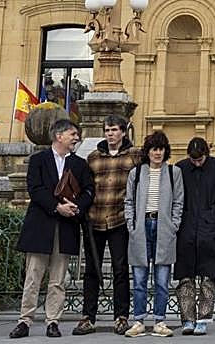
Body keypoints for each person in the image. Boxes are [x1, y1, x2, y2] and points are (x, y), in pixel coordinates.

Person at [11, 118, 95, 339]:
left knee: (58, 279)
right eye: (73, 134)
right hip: (41, 225)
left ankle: (53, 320)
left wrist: (76, 207)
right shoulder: (39, 160)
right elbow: (34, 189)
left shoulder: (79, 164)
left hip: (66, 227)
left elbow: (89, 190)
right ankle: (25, 320)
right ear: (59, 136)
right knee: (33, 276)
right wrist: (57, 207)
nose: (76, 138)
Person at [75, 115, 139, 336]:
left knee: (120, 270)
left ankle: (121, 316)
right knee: (91, 270)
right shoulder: (93, 158)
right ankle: (87, 317)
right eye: (107, 130)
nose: (110, 134)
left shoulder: (134, 156)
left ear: (123, 132)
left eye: (114, 130)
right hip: (95, 219)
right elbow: (84, 187)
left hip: (119, 219)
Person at [123, 131, 184, 338]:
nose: (157, 153)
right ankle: (138, 320)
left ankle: (160, 320)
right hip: (142, 226)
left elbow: (178, 202)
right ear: (147, 151)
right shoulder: (137, 173)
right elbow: (129, 201)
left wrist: (173, 225)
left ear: (166, 151)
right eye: (153, 149)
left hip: (163, 226)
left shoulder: (173, 172)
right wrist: (131, 225)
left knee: (161, 279)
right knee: (139, 279)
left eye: (161, 149)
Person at [175, 137, 215, 336]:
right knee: (185, 277)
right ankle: (187, 319)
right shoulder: (180, 168)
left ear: (206, 154)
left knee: (208, 276)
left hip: (210, 227)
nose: (197, 163)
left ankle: (204, 318)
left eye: (200, 160)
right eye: (193, 160)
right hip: (186, 228)